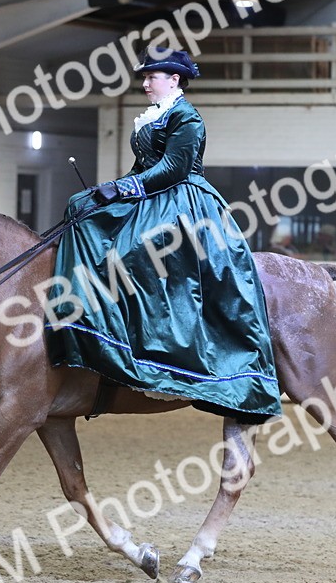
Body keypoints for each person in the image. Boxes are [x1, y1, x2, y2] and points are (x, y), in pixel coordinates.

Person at [46, 47, 282, 424]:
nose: (144, 84)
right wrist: (112, 188)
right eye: (145, 77)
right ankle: (87, 320)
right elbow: (143, 166)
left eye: (150, 78)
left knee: (134, 250)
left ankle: (154, 343)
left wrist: (126, 188)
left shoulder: (186, 116)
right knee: (80, 205)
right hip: (152, 194)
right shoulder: (153, 117)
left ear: (173, 80)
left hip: (183, 201)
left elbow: (174, 168)